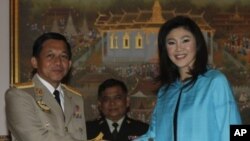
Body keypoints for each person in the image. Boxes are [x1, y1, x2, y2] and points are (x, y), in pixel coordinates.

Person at [134, 16, 242, 141]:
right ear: (165, 49)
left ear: (197, 43)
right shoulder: (165, 91)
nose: (178, 48)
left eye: (185, 40)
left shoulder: (215, 81)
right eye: (171, 43)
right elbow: (153, 136)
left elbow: (234, 130)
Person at [5, 32, 87, 141]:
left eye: (63, 56)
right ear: (35, 62)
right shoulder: (19, 95)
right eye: (50, 56)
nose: (58, 62)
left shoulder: (75, 98)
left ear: (70, 64)